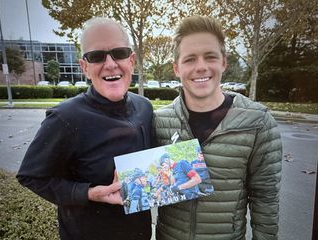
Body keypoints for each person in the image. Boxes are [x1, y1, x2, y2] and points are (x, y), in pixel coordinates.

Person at [17, 17, 153, 240]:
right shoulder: (64, 118)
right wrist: (88, 193)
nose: (110, 64)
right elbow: (31, 176)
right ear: (85, 67)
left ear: (131, 60)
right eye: (97, 56)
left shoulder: (144, 107)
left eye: (119, 53)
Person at [153, 15, 282, 240]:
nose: (201, 67)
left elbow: (266, 198)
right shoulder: (158, 121)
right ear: (176, 68)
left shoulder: (258, 122)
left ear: (224, 62)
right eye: (190, 59)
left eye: (210, 57)